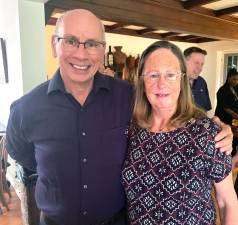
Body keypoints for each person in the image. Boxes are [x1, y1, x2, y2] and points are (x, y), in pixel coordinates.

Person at [5, 9, 233, 225]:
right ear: (55, 45)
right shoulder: (26, 109)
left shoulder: (126, 97)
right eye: (71, 41)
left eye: (92, 44)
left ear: (102, 50)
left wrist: (219, 128)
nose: (81, 53)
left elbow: (167, 109)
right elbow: (24, 156)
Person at [122, 41, 238, 225]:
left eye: (170, 74)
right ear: (142, 82)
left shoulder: (207, 133)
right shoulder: (132, 129)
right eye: (153, 75)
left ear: (182, 80)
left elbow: (227, 203)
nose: (162, 83)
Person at [215, 68, 238, 156]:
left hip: (235, 120)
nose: (236, 81)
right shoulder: (222, 90)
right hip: (224, 119)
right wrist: (235, 115)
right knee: (226, 140)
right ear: (228, 78)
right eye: (234, 79)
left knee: (235, 139)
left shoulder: (237, 88)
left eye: (237, 79)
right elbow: (225, 108)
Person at [184, 47, 212, 112]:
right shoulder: (173, 83)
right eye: (196, 63)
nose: (200, 68)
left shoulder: (202, 82)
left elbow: (205, 110)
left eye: (202, 64)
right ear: (184, 62)